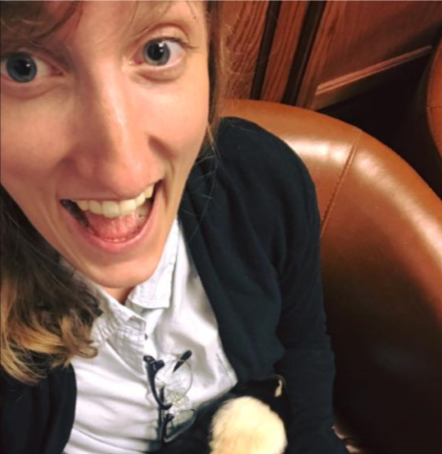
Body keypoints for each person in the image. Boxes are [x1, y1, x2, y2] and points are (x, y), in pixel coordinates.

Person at [0, 1, 349, 453]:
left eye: (158, 51)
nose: (121, 172)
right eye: (22, 67)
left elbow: (302, 344)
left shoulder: (262, 182)